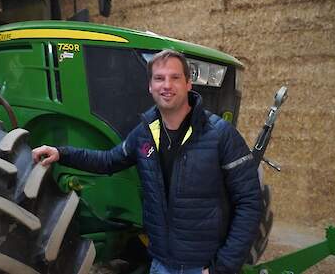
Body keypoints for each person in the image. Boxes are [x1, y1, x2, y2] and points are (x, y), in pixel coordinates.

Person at [32, 49, 263, 274]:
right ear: (150, 86)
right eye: (159, 78)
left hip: (201, 266)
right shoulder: (145, 133)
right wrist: (61, 153)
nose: (167, 85)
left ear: (188, 83)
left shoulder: (221, 135)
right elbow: (108, 160)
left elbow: (250, 202)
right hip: (160, 264)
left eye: (175, 78)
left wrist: (222, 268)